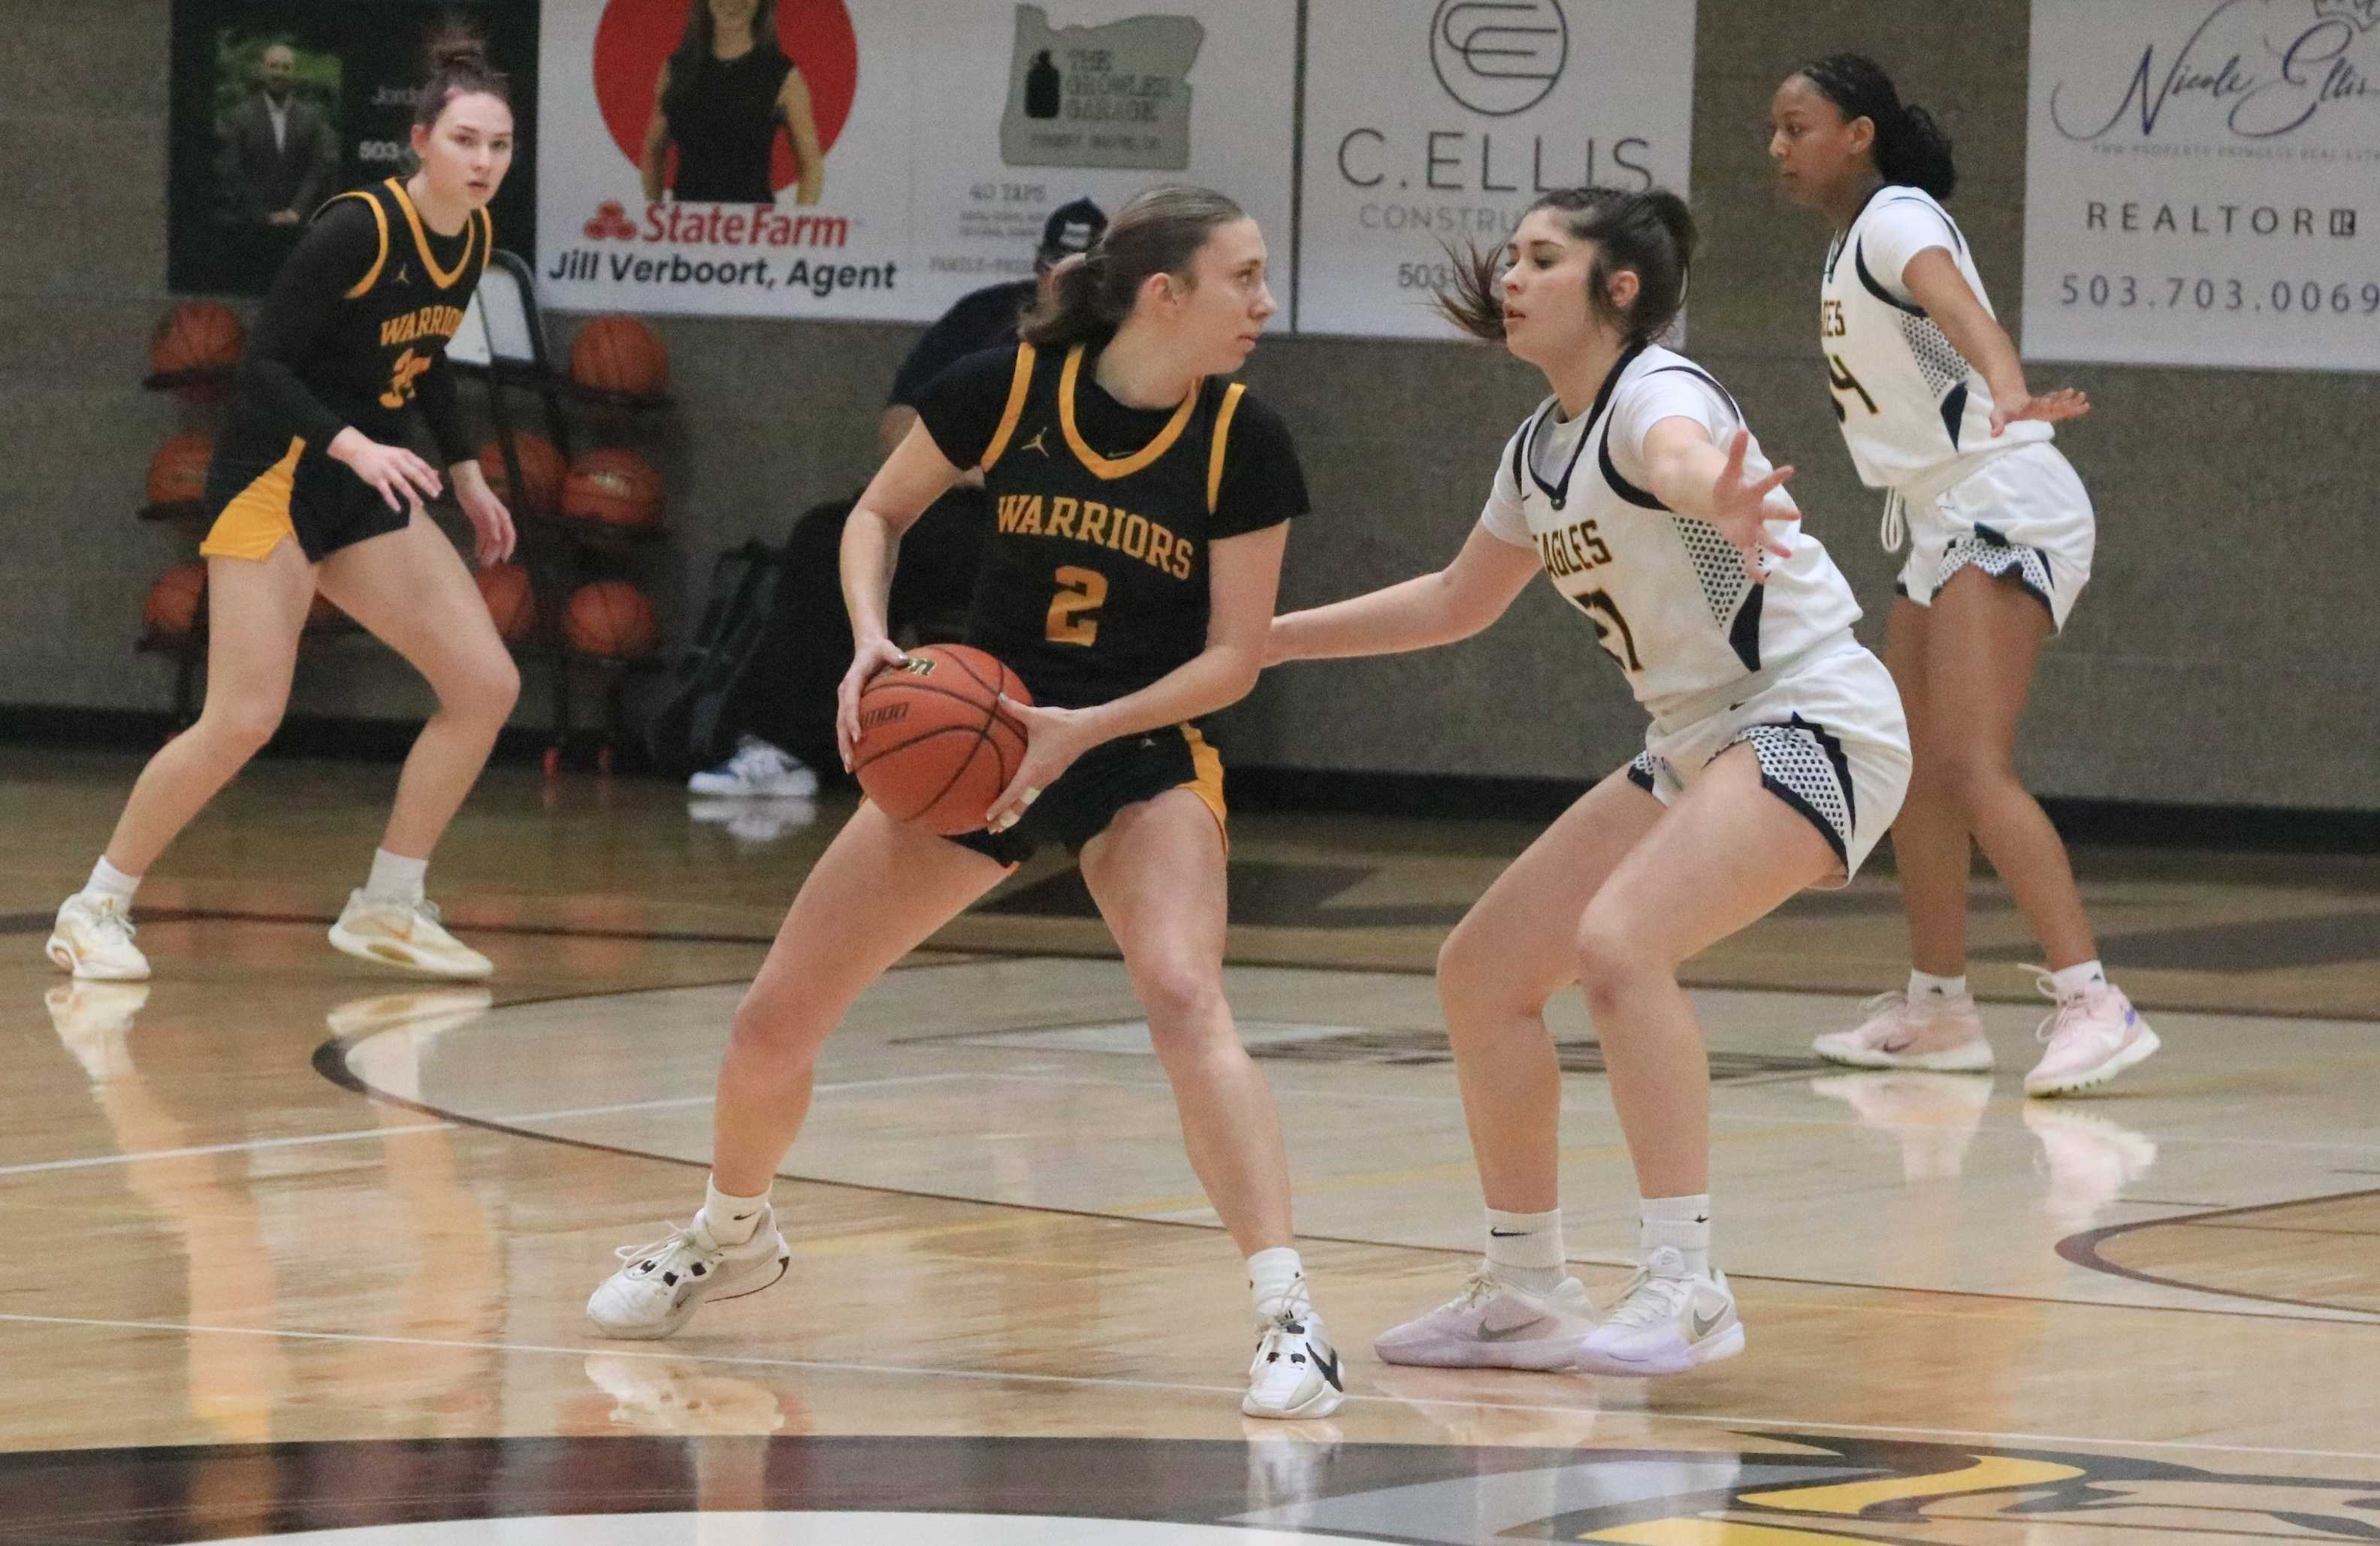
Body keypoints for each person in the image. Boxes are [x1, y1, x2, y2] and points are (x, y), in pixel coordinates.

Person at [590, 185, 1346, 1421]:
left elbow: (1235, 656)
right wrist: (872, 643)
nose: (1265, 304)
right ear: (1164, 295)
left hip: (1135, 744)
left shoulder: (1240, 439)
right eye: (1245, 278)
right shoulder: (1009, 385)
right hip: (986, 734)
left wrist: (1085, 730)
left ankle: (1288, 1313)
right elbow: (874, 514)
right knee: (774, 1018)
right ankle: (729, 1232)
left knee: (1178, 991)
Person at [1267, 186, 1912, 1377]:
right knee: (1485, 972)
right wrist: (1263, 638)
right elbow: (1455, 602)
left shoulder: (1657, 396)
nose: (1512, 274)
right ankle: (1524, 1282)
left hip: (1811, 712)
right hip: (1693, 737)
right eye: (1511, 254)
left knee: (1620, 943)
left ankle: (1689, 1281)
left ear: (1618, 289)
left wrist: (1710, 488)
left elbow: (1676, 457)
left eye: (1544, 257)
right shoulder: (1537, 447)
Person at [47, 35, 521, 984]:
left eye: (501, 145)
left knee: (486, 686)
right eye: (466, 141)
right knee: (244, 717)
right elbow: (259, 370)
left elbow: (421, 365)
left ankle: (389, 903)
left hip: (363, 482)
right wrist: (350, 440)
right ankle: (95, 905)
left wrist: (466, 472)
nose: (483, 162)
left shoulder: (470, 241)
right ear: (420, 141)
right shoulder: (354, 230)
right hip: (276, 479)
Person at [1769, 53, 2158, 1096]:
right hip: (1943, 511)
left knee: (1976, 764)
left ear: (1858, 133)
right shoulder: (1851, 243)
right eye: (1774, 129)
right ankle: (1939, 1004)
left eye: (1797, 125)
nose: (1778, 147)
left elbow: (1964, 314)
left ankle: (2093, 1000)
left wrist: (2008, 384)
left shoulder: (1898, 218)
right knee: (1910, 769)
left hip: (2004, 494)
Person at [689, 199, 1109, 797]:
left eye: (1084, 273)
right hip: (958, 510)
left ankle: (1070, 757)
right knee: (826, 534)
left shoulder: (1121, 343)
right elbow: (901, 421)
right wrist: (980, 466)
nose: (1063, 284)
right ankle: (786, 746)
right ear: (1038, 268)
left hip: (1062, 524)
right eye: (1053, 267)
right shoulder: (984, 317)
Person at [640, 0, 824, 207]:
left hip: (753, 229)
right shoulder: (677, 68)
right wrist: (655, 216)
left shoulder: (783, 74)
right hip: (687, 228)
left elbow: (810, 165)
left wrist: (796, 228)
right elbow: (654, 151)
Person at [216, 42, 340, 274]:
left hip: (301, 234)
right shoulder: (239, 117)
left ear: (294, 73)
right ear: (262, 70)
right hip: (250, 234)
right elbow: (232, 170)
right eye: (274, 67)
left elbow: (319, 168)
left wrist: (296, 211)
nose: (279, 74)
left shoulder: (313, 118)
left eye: (286, 67)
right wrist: (263, 215)